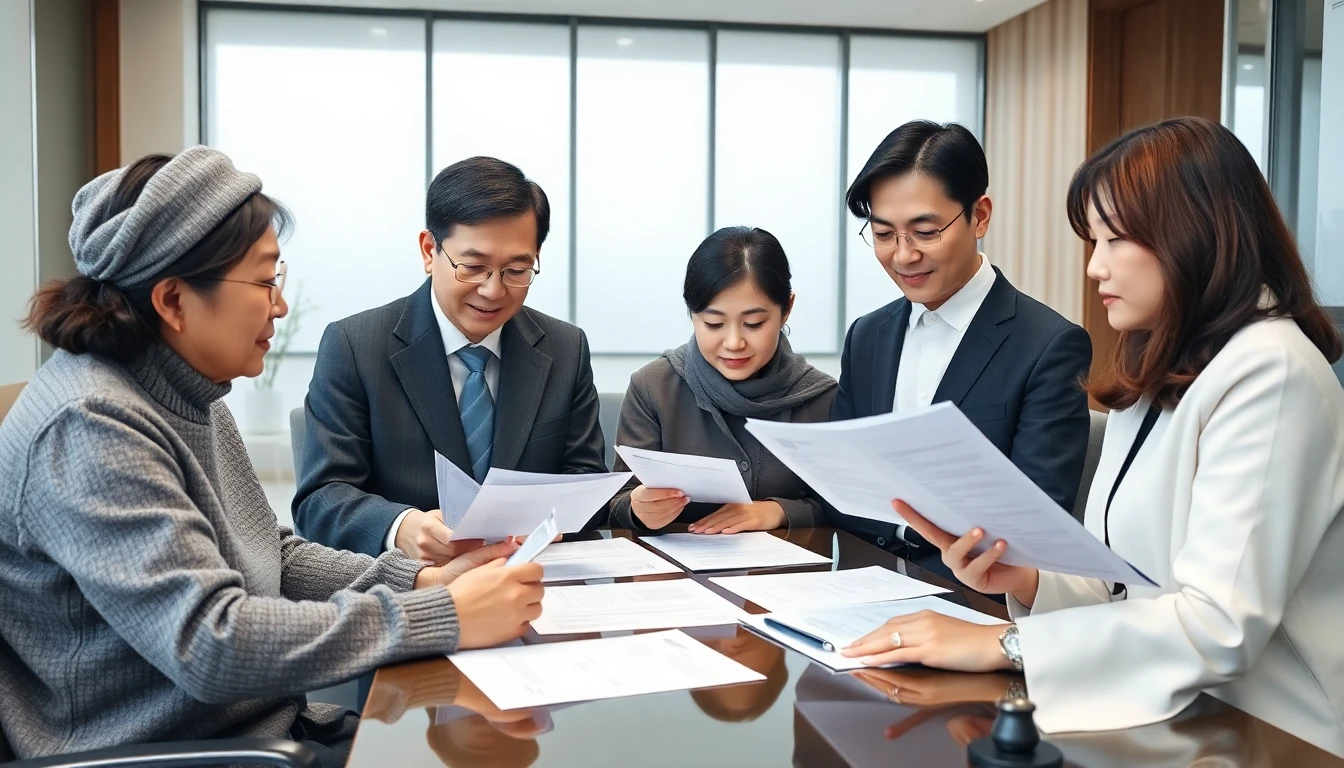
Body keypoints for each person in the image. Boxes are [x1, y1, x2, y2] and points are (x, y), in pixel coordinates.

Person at [0, 148, 543, 765]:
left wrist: (421, 579)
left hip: (263, 731)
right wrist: (441, 614)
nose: (280, 306)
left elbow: (268, 553)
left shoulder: (190, 395)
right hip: (178, 753)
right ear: (174, 301)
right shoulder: (89, 425)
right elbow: (213, 643)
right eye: (264, 281)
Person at [842, 117, 1344, 756]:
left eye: (1115, 241)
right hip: (1161, 708)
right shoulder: (1167, 368)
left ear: (1195, 239)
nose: (1094, 268)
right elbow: (1128, 582)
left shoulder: (1271, 372)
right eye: (1093, 242)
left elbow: (1218, 625)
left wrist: (1006, 643)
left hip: (1267, 733)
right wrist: (1025, 580)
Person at [294, 157, 607, 561]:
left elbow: (584, 476)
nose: (493, 291)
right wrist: (401, 526)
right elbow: (320, 499)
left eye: (516, 269)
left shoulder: (565, 348)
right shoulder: (356, 346)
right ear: (429, 250)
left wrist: (555, 519)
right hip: (412, 592)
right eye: (474, 267)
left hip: (535, 580)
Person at [831, 121, 1092, 580]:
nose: (903, 255)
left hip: (976, 596)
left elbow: (1035, 527)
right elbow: (843, 483)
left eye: (925, 231)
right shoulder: (867, 336)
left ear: (981, 216)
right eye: (884, 233)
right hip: (858, 578)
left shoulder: (1048, 346)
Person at [608, 227, 836, 534]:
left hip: (784, 573)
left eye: (753, 324)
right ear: (692, 314)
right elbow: (617, 502)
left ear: (787, 310)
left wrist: (779, 511)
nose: (733, 342)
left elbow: (843, 507)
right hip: (675, 574)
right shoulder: (653, 387)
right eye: (713, 324)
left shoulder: (822, 398)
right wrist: (638, 508)